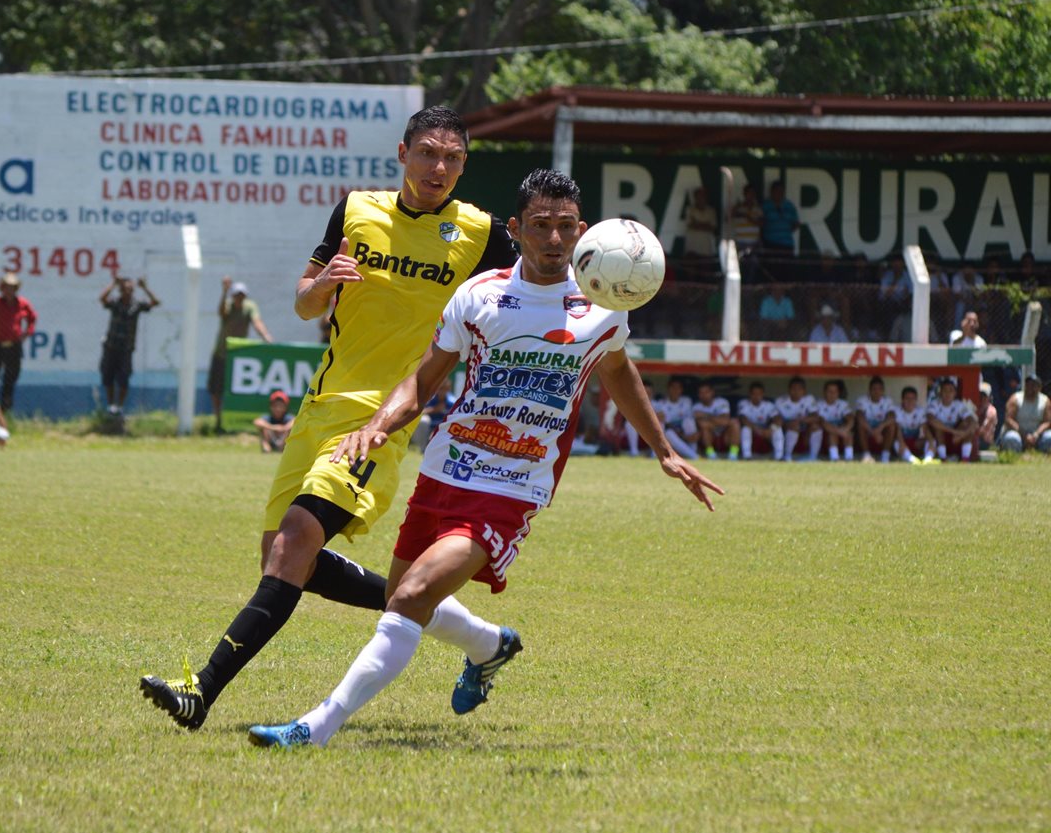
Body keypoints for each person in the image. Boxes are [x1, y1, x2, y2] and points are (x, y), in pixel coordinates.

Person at [245, 168, 723, 749]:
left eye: (566, 227)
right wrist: (376, 424)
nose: (554, 239)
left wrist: (665, 452)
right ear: (516, 229)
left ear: (583, 231)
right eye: (541, 226)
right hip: (446, 470)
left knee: (414, 596)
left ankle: (314, 728)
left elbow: (617, 369)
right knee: (402, 596)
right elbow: (422, 382)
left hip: (514, 485)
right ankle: (489, 646)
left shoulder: (603, 305)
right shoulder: (479, 296)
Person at [139, 106, 517, 731]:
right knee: (286, 560)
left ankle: (199, 693)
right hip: (319, 407)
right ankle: (480, 639)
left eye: (452, 158)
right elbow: (304, 299)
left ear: (463, 166)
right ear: (403, 153)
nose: (439, 167)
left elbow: (531, 283)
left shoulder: (479, 232)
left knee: (294, 542)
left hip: (383, 419)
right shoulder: (356, 209)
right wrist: (325, 285)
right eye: (427, 153)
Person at [207, 277, 273, 433]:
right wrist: (223, 292)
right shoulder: (228, 306)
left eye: (242, 295)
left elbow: (257, 322)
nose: (239, 298)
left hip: (238, 357)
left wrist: (266, 337)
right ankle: (218, 422)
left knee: (235, 391)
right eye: (236, 295)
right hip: (221, 354)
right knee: (216, 391)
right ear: (232, 296)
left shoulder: (249, 307)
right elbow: (221, 312)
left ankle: (234, 423)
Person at [99, 276, 160, 414]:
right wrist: (113, 284)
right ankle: (110, 406)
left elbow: (155, 302)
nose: (128, 292)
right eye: (125, 289)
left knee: (124, 378)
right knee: (108, 377)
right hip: (111, 346)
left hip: (126, 349)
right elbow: (102, 299)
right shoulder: (115, 303)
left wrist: (145, 288)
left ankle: (120, 406)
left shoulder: (136, 305)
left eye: (130, 290)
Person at [0, 273, 37, 411]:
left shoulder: (22, 304)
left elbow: (32, 318)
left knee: (10, 379)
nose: (9, 291)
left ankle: (5, 411)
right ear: (2, 288)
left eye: (12, 288)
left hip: (13, 347)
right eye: (6, 287)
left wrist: (27, 332)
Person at [926, 379, 977, 462]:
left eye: (951, 390)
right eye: (945, 390)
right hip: (940, 439)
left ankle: (965, 459)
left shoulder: (959, 405)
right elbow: (930, 419)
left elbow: (972, 421)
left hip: (955, 439)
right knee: (938, 428)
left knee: (967, 426)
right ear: (940, 393)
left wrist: (964, 433)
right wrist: (953, 431)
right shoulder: (934, 404)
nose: (948, 393)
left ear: (955, 393)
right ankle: (943, 459)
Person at [999, 375, 1051, 454]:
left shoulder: (1045, 401)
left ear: (1039, 388)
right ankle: (1013, 460)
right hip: (1017, 433)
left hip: (1037, 435)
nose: (1031, 387)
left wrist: (1036, 435)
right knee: (1011, 438)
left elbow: (1047, 422)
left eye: (1034, 385)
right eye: (1029, 384)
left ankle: (1043, 458)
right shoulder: (1015, 399)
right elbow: (1008, 420)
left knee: (1049, 438)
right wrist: (1024, 435)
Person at [775, 376, 820, 461]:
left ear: (804, 391)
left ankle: (813, 456)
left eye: (799, 389)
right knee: (793, 426)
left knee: (816, 426)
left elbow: (816, 417)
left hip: (804, 427)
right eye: (793, 389)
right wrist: (787, 424)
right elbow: (776, 419)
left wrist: (801, 420)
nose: (796, 392)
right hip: (786, 428)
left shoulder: (809, 399)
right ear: (789, 390)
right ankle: (787, 456)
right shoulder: (781, 401)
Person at [760, 180, 799, 279]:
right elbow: (760, 222)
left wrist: (784, 231)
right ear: (772, 192)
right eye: (776, 191)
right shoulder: (766, 205)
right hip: (770, 244)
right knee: (771, 272)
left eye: (781, 191)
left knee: (787, 272)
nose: (779, 193)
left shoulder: (789, 205)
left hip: (787, 244)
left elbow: (796, 223)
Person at [653, 376, 698, 460]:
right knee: (668, 432)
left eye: (678, 388)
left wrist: (684, 435)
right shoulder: (662, 403)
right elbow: (665, 424)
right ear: (668, 389)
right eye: (673, 387)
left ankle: (693, 451)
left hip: (684, 433)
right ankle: (694, 457)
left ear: (682, 389)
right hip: (670, 436)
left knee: (689, 422)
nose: (675, 390)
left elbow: (689, 419)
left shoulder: (686, 401)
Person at [855, 376, 897, 463]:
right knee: (860, 425)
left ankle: (885, 455)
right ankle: (866, 455)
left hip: (881, 432)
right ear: (869, 390)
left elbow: (892, 417)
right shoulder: (862, 400)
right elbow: (859, 416)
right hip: (868, 430)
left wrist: (879, 429)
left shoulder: (888, 401)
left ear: (883, 391)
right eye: (874, 389)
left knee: (892, 425)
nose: (876, 392)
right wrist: (872, 431)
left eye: (879, 389)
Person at [692, 381, 739, 460]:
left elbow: (725, 421)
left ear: (712, 392)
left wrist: (706, 416)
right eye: (701, 393)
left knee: (735, 423)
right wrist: (717, 420)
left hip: (725, 436)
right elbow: (702, 425)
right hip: (710, 437)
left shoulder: (722, 402)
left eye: (706, 392)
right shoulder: (696, 407)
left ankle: (733, 454)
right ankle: (711, 455)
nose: (704, 395)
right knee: (704, 427)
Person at [738, 382, 782, 460]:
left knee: (777, 429)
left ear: (763, 394)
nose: (756, 396)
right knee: (745, 429)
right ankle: (747, 456)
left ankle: (779, 457)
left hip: (765, 432)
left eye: (759, 394)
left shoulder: (768, 405)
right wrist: (756, 429)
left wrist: (771, 429)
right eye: (754, 394)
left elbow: (778, 419)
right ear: (749, 394)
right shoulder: (743, 404)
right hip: (753, 431)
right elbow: (743, 419)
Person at [730, 183, 763, 281]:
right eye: (748, 193)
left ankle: (749, 290)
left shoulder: (758, 209)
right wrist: (737, 207)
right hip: (740, 243)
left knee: (752, 269)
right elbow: (728, 218)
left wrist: (747, 217)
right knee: (738, 268)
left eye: (752, 194)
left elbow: (761, 223)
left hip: (753, 244)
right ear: (744, 194)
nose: (750, 196)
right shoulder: (738, 208)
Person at [683, 186, 717, 280]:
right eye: (699, 196)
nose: (701, 198)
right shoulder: (690, 209)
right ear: (695, 197)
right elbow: (690, 225)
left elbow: (712, 227)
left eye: (703, 196)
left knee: (706, 276)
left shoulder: (711, 211)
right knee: (690, 275)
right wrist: (705, 224)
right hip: (692, 248)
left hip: (706, 249)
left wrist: (697, 223)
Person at [410, 377, 454, 449]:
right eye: (440, 388)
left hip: (443, 428)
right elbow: (417, 412)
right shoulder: (430, 398)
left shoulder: (453, 402)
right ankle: (423, 448)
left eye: (445, 389)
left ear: (449, 389)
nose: (442, 391)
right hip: (429, 426)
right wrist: (433, 410)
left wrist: (438, 430)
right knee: (422, 421)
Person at [816, 379, 854, 461]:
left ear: (838, 393)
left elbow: (850, 418)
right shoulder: (819, 405)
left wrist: (846, 429)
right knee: (832, 434)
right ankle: (834, 458)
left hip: (840, 432)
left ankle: (849, 458)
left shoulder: (843, 404)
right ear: (824, 392)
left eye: (835, 391)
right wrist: (839, 431)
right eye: (830, 391)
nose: (832, 394)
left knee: (849, 433)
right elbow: (822, 422)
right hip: (825, 435)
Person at [892, 385, 931, 464]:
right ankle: (911, 459)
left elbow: (925, 429)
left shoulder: (920, 411)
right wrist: (902, 444)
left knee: (931, 441)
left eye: (913, 398)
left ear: (916, 400)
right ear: (902, 400)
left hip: (915, 442)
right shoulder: (896, 411)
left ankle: (928, 460)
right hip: (902, 441)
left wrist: (932, 443)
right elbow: (897, 430)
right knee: (896, 443)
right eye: (907, 398)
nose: (910, 401)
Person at [974, 382, 999, 450]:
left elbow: (981, 431)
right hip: (974, 439)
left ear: (989, 397)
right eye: (980, 395)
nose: (982, 398)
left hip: (985, 443)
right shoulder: (974, 408)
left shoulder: (992, 411)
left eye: (984, 396)